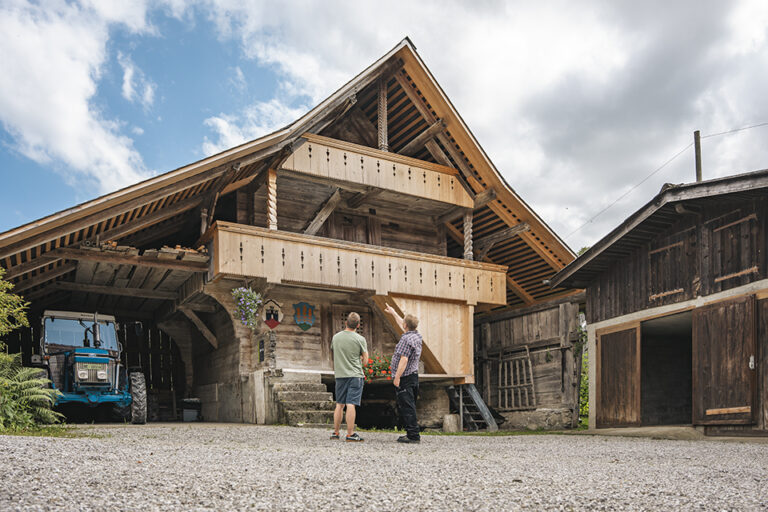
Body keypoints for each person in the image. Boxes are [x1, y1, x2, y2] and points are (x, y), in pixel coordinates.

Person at [384, 303, 422, 444]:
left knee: (407, 406)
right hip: (413, 376)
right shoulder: (416, 335)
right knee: (409, 404)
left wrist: (397, 377)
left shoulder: (406, 339)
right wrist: (394, 312)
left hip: (405, 377)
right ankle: (412, 433)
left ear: (406, 325)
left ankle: (413, 436)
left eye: (404, 323)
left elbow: (404, 359)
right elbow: (403, 324)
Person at [330, 312, 368, 442]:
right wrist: (360, 359)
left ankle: (335, 433)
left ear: (346, 323)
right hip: (355, 375)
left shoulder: (335, 337)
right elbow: (366, 361)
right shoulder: (360, 339)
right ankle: (350, 434)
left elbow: (334, 352)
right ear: (358, 325)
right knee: (351, 403)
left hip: (340, 374)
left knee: (339, 404)